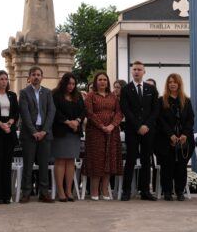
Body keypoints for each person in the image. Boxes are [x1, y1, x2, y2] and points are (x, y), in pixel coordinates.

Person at [120, 61, 159, 201]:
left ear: (144, 72)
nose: (137, 71)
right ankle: (126, 191)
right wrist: (138, 126)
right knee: (130, 159)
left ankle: (145, 191)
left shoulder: (151, 89)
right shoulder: (126, 89)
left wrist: (146, 125)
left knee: (146, 160)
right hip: (132, 129)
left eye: (139, 69)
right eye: (134, 69)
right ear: (131, 71)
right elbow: (126, 110)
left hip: (148, 130)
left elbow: (155, 110)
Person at [82, 72, 122, 201]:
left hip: (112, 132)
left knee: (109, 159)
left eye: (105, 79)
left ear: (107, 82)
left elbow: (119, 113)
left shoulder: (113, 97)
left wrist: (112, 125)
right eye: (100, 79)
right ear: (95, 82)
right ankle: (94, 190)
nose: (102, 82)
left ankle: (105, 189)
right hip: (95, 132)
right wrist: (102, 126)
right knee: (97, 160)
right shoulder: (90, 96)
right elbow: (90, 113)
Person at [18, 66, 56, 203]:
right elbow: (25, 114)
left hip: (45, 133)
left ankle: (44, 193)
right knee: (28, 164)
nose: (36, 77)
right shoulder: (24, 93)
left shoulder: (47, 93)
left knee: (44, 164)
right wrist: (34, 131)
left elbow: (51, 112)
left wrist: (44, 131)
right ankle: (26, 193)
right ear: (29, 77)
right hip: (29, 133)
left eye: (38, 75)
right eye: (33, 74)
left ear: (42, 77)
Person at [155, 73, 194, 201]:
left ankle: (179, 191)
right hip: (165, 139)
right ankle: (167, 191)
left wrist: (184, 134)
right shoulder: (161, 101)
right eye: (170, 82)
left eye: (175, 82)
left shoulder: (186, 101)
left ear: (179, 84)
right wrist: (170, 135)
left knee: (181, 167)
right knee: (167, 166)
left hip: (184, 139)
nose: (172, 84)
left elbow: (190, 119)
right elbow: (160, 120)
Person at [51, 73, 84, 202]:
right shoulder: (55, 95)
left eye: (73, 84)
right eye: (69, 83)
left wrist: (77, 121)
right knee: (60, 161)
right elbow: (55, 111)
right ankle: (61, 192)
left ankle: (69, 191)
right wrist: (67, 122)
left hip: (74, 131)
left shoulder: (78, 95)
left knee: (71, 161)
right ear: (64, 83)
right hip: (60, 131)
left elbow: (83, 110)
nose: (71, 86)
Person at [0, 70, 19, 204]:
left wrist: (10, 123)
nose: (4, 81)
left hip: (9, 130)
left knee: (7, 163)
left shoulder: (12, 95)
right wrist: (0, 124)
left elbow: (16, 112)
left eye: (6, 79)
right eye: (1, 79)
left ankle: (7, 195)